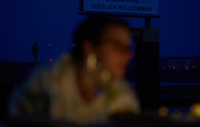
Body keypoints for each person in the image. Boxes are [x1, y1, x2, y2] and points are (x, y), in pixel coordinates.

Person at [8, 17, 140, 125]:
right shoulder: (46, 81)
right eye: (118, 46)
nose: (128, 54)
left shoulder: (121, 93)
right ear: (89, 47)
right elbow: (14, 118)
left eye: (128, 48)